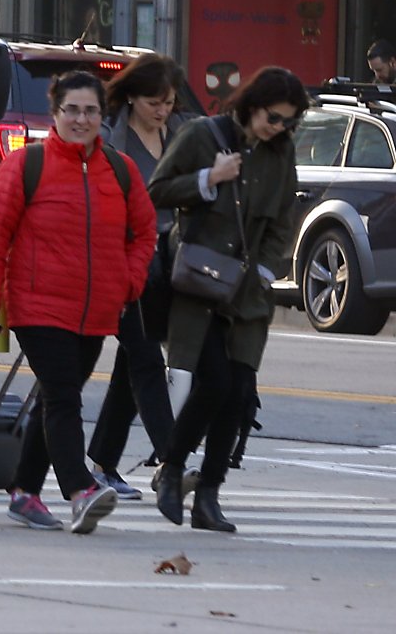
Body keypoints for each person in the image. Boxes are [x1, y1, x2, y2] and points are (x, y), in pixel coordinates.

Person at [0, 69, 156, 534]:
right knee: (64, 395)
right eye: (71, 109)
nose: (81, 119)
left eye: (90, 110)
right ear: (55, 114)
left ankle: (24, 491)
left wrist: (129, 282)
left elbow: (144, 232)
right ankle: (80, 489)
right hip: (38, 304)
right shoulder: (26, 165)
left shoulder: (120, 169)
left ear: (102, 116)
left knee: (56, 398)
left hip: (97, 310)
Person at [148, 65, 307, 534]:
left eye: (288, 123)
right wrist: (207, 179)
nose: (279, 129)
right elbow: (157, 189)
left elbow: (283, 218)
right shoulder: (204, 134)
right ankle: (172, 468)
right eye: (274, 119)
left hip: (248, 290)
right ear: (253, 105)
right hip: (200, 279)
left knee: (238, 395)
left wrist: (265, 267)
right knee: (214, 383)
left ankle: (210, 495)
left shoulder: (281, 153)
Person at [86, 55, 190, 497]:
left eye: (168, 102)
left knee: (131, 364)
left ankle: (103, 461)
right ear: (131, 97)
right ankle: (172, 460)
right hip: (124, 262)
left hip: (170, 261)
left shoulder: (180, 132)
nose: (162, 110)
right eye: (153, 102)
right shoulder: (113, 137)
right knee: (147, 359)